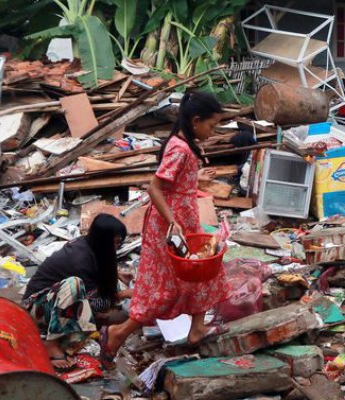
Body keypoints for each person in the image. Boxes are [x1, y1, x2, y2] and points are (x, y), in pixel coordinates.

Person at [101, 91, 233, 366]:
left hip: (184, 221)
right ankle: (119, 332)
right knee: (163, 289)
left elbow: (174, 183)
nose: (213, 131)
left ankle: (197, 328)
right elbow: (155, 187)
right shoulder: (179, 148)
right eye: (212, 125)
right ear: (196, 121)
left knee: (203, 270)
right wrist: (173, 220)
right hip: (169, 227)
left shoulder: (183, 145)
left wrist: (194, 180)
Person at [22, 214, 130, 371]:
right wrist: (120, 296)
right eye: (115, 242)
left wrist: (118, 280)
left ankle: (63, 335)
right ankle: (51, 344)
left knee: (83, 332)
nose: (116, 247)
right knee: (77, 286)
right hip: (35, 306)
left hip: (55, 301)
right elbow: (95, 303)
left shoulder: (92, 248)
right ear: (103, 240)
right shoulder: (79, 259)